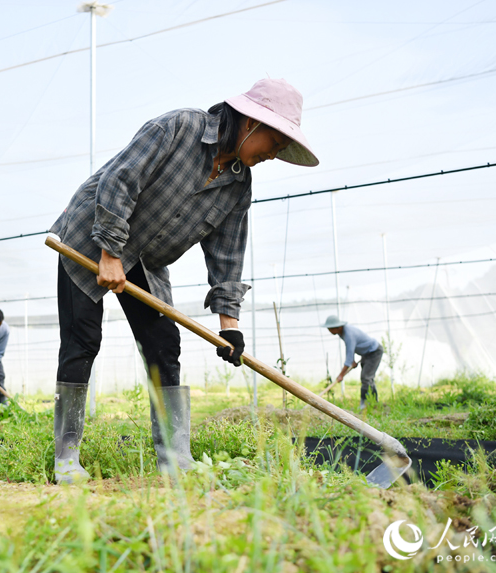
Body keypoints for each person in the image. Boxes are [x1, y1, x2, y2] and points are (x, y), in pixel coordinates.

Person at [49, 78, 320, 483]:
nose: (273, 156)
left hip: (146, 260)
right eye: (275, 144)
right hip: (92, 237)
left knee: (163, 344)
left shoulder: (238, 186)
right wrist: (109, 253)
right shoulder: (179, 128)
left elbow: (227, 254)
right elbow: (119, 180)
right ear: (251, 124)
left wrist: (230, 327)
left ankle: (175, 461)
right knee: (82, 340)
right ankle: (66, 459)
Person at [322, 315, 384, 411]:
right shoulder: (341, 332)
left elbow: (348, 357)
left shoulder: (348, 334)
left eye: (330, 329)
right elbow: (351, 349)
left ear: (338, 327)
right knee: (368, 378)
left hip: (373, 352)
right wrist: (353, 361)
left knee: (366, 377)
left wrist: (341, 375)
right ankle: (374, 403)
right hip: (366, 353)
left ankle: (365, 405)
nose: (329, 331)